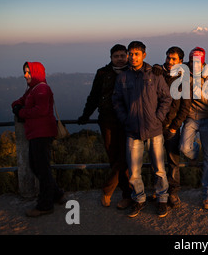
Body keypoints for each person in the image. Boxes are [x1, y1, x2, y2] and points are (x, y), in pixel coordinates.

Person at [112, 41, 172, 218]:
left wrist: (158, 118)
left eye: (136, 54)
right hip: (133, 130)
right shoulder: (123, 77)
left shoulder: (155, 74)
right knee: (134, 170)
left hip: (153, 129)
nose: (133, 57)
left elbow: (166, 98)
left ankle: (162, 199)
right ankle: (139, 199)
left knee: (159, 168)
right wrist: (126, 119)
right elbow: (117, 102)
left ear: (144, 55)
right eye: (130, 54)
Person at [77, 44, 132, 209]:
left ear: (128, 56)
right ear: (111, 58)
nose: (120, 59)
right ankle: (126, 195)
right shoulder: (103, 73)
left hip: (128, 120)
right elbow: (94, 96)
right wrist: (86, 115)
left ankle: (109, 191)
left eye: (123, 55)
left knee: (124, 157)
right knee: (113, 156)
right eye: (117, 56)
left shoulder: (134, 72)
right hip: (107, 120)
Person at [11, 62, 65, 217]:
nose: (25, 75)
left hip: (42, 133)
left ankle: (45, 205)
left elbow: (40, 110)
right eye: (25, 72)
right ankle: (57, 194)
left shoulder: (41, 88)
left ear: (37, 73)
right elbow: (20, 101)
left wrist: (21, 113)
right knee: (38, 167)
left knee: (41, 169)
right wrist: (16, 106)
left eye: (28, 72)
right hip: (35, 133)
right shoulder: (32, 88)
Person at [153, 46, 192, 208]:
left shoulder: (184, 80)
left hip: (171, 127)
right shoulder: (156, 74)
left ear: (181, 61)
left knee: (173, 161)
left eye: (173, 59)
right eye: (168, 58)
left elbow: (185, 106)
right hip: (155, 126)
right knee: (156, 160)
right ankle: (159, 190)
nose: (170, 61)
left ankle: (173, 192)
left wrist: (175, 127)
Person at [179, 47, 208, 209]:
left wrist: (193, 86)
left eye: (197, 62)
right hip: (190, 117)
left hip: (207, 117)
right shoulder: (184, 72)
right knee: (184, 147)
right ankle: (194, 154)